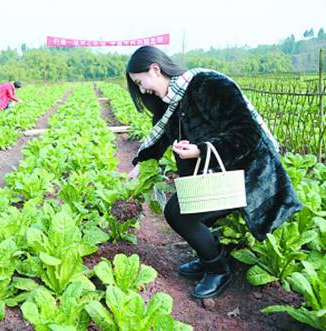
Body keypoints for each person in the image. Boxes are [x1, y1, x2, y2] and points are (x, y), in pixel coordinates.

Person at [125, 46, 302, 299]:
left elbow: (247, 134)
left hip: (249, 174)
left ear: (155, 69)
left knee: (178, 213)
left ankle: (218, 269)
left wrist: (200, 150)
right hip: (217, 172)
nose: (142, 91)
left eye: (141, 83)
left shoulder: (207, 84)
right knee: (189, 209)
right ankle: (208, 255)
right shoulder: (170, 103)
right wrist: (141, 163)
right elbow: (161, 138)